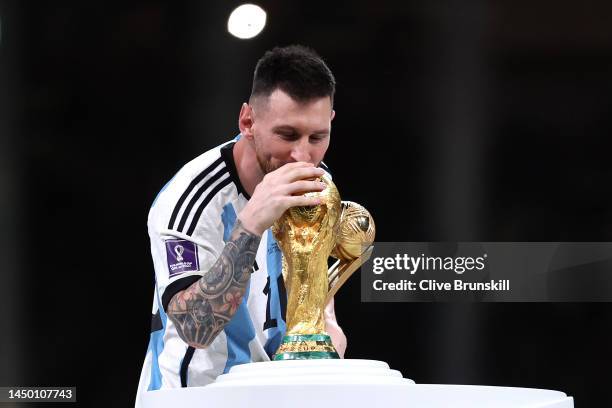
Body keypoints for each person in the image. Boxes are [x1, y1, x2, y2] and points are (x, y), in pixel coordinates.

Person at [135, 45, 346, 405]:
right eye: (288, 135)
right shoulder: (191, 200)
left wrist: (326, 324)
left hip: (270, 394)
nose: (303, 156)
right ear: (247, 122)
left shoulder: (317, 181)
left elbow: (312, 278)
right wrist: (250, 225)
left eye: (317, 137)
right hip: (194, 397)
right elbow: (194, 328)